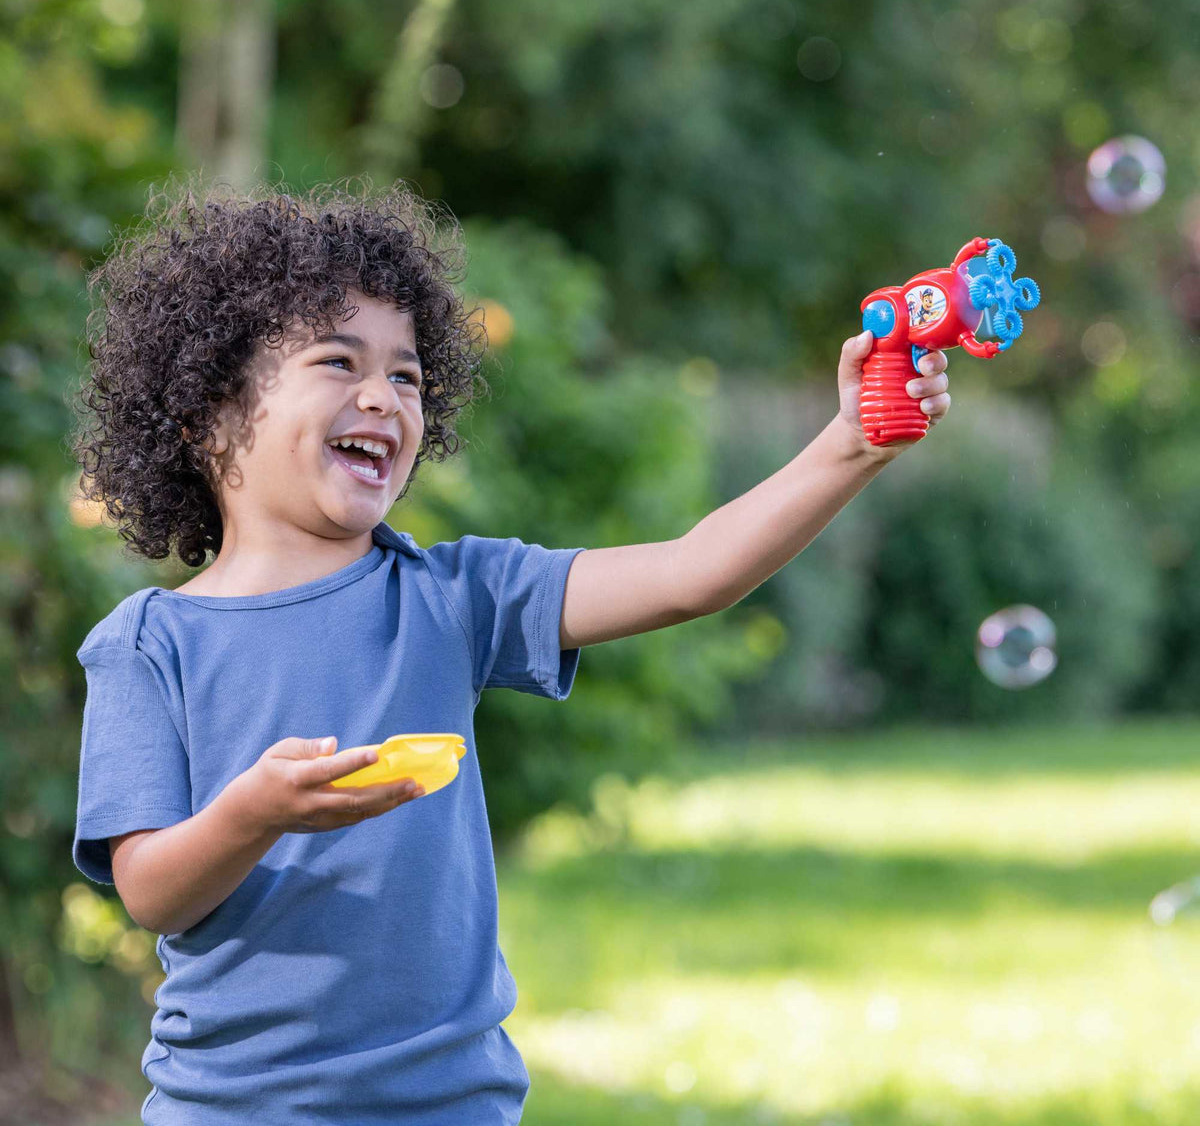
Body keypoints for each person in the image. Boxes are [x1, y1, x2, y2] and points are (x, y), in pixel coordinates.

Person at [67, 176, 951, 1124]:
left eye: (406, 375)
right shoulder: (147, 645)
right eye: (339, 361)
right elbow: (150, 889)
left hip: (452, 1106)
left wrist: (848, 443)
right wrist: (255, 812)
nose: (384, 396)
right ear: (209, 414)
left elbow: (695, 572)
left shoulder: (456, 596)